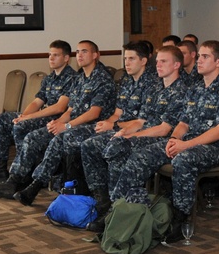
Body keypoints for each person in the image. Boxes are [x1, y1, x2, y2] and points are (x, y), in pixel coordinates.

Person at [111, 41, 219, 242]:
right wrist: (174, 139)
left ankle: (181, 218)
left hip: (218, 147)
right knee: (143, 154)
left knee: (183, 160)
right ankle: (123, 209)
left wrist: (184, 146)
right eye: (198, 56)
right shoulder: (196, 89)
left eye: (205, 57)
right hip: (189, 141)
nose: (199, 60)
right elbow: (183, 122)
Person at [16, 41, 152, 205]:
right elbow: (115, 113)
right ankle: (35, 183)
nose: (126, 63)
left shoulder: (142, 83)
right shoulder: (125, 81)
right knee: (54, 136)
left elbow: (138, 121)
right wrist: (59, 123)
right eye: (125, 59)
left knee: (72, 138)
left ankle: (96, 197)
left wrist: (69, 126)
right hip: (107, 126)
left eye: (131, 59)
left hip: (120, 129)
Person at [0, 40, 114, 200]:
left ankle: (31, 183)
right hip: (71, 124)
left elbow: (94, 113)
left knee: (54, 139)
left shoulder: (102, 79)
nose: (79, 55)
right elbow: (70, 110)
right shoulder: (81, 79)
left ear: (95, 55)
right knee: (32, 137)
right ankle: (15, 181)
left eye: (84, 51)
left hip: (91, 126)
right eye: (78, 52)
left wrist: (65, 125)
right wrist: (59, 123)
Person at [82, 45, 188, 231]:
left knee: (119, 148)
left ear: (177, 65)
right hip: (143, 134)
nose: (159, 65)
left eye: (164, 61)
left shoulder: (181, 91)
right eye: (158, 61)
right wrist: (124, 131)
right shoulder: (156, 88)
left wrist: (131, 137)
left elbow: (164, 129)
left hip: (160, 139)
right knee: (98, 144)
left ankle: (118, 208)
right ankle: (110, 202)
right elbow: (140, 120)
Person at [0, 40, 78, 183]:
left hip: (57, 118)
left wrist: (27, 118)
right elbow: (37, 102)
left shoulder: (72, 78)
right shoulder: (49, 78)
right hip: (42, 115)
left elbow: (59, 107)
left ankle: (24, 172)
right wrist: (23, 116)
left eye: (56, 55)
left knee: (20, 126)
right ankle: (0, 168)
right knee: (2, 119)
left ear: (66, 58)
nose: (51, 58)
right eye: (49, 55)